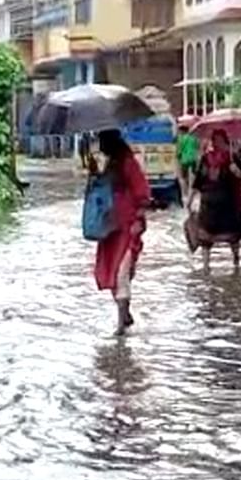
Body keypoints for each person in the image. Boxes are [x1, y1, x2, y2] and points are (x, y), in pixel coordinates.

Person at [86, 129, 152, 335]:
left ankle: (121, 324)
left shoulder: (128, 163)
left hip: (127, 227)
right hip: (110, 228)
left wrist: (138, 220)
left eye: (102, 142)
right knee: (114, 272)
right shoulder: (109, 164)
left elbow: (142, 194)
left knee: (121, 273)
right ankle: (125, 314)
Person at [192, 129, 241, 271]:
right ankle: (206, 266)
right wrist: (191, 198)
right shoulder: (206, 158)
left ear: (225, 140)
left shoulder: (233, 157)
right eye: (214, 140)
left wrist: (236, 171)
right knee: (205, 237)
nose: (217, 143)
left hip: (228, 202)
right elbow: (199, 180)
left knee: (233, 236)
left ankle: (236, 261)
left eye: (220, 140)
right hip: (209, 202)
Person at [175, 124, 199, 208]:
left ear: (182, 131)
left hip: (184, 160)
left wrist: (177, 156)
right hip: (193, 158)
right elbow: (197, 147)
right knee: (193, 175)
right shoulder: (193, 138)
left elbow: (179, 150)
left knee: (183, 177)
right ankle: (191, 191)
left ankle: (185, 194)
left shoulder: (181, 139)